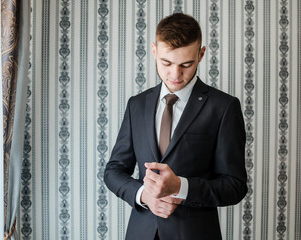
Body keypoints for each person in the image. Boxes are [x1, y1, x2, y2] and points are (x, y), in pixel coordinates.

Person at [104, 13, 247, 240]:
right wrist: (143, 195)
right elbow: (114, 171)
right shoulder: (137, 105)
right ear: (154, 51)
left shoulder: (224, 107)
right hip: (140, 233)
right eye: (166, 63)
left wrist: (181, 186)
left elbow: (235, 186)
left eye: (186, 64)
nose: (175, 74)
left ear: (201, 55)